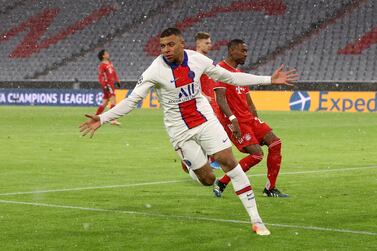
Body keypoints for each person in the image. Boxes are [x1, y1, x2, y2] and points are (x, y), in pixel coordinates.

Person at [80, 27, 297, 235]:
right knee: (207, 179)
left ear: (182, 44)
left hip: (204, 120)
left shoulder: (197, 59)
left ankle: (256, 220)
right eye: (162, 46)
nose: (166, 49)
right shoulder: (155, 71)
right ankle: (190, 164)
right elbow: (132, 100)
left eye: (170, 44)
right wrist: (103, 118)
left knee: (229, 161)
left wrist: (269, 79)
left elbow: (229, 77)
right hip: (180, 131)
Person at [213, 39, 289, 198]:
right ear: (232, 50)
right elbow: (220, 99)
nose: (246, 54)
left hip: (249, 119)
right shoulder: (220, 70)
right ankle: (222, 181)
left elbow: (248, 101)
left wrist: (256, 121)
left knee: (275, 143)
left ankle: (270, 189)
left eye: (246, 51)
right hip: (234, 122)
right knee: (257, 155)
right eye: (243, 51)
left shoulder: (240, 75)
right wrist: (232, 119)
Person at [180, 32, 221, 178]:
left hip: (211, 105)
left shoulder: (206, 60)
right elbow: (190, 82)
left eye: (210, 43)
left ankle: (200, 161)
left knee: (208, 134)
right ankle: (198, 161)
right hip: (201, 105)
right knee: (205, 134)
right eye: (207, 43)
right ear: (198, 44)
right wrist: (203, 96)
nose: (210, 45)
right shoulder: (193, 60)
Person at [96, 49, 121, 125]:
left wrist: (117, 80)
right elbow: (100, 77)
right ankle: (113, 120)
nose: (108, 54)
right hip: (108, 85)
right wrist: (104, 85)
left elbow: (114, 73)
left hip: (111, 84)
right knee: (113, 101)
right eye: (106, 53)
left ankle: (95, 117)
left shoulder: (110, 63)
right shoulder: (102, 65)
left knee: (105, 103)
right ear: (103, 56)